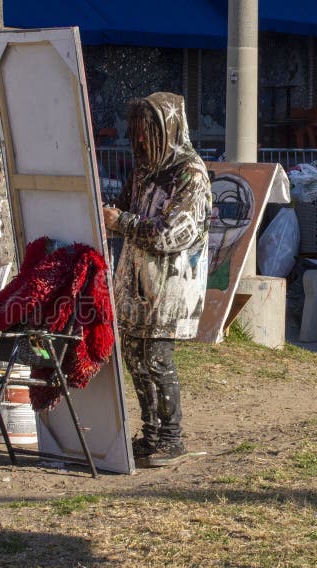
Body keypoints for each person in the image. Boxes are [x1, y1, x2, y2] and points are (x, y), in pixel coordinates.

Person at [103, 92, 212, 468]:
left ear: (167, 129)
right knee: (134, 356)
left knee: (157, 357)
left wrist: (120, 221)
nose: (141, 140)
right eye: (137, 132)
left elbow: (172, 234)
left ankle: (171, 437)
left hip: (171, 282)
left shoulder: (190, 174)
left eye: (147, 131)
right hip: (135, 278)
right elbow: (123, 211)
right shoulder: (145, 169)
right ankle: (150, 434)